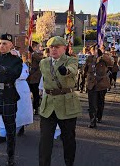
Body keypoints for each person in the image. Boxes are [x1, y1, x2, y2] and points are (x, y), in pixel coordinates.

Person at [39, 36, 81, 166]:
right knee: (45, 140)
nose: (53, 50)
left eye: (57, 47)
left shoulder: (71, 60)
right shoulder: (44, 62)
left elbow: (73, 69)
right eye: (51, 47)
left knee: (68, 139)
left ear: (65, 48)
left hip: (66, 104)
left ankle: (69, 163)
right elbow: (44, 80)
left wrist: (65, 70)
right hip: (48, 105)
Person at [0, 33, 22, 166]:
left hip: (8, 96)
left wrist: (6, 70)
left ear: (11, 45)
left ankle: (10, 157)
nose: (1, 46)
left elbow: (16, 73)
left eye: (5, 43)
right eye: (0, 43)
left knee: (10, 130)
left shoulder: (16, 60)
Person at [0, 51, 33, 144]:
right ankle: (2, 135)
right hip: (6, 90)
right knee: (3, 112)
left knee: (20, 111)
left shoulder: (22, 65)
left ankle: (20, 127)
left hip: (20, 90)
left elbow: (23, 75)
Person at [84, 44, 113, 128]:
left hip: (101, 84)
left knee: (100, 102)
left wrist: (102, 55)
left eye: (96, 50)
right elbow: (85, 69)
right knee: (92, 104)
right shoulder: (89, 58)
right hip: (91, 84)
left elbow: (111, 63)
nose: (95, 52)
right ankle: (92, 121)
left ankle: (99, 117)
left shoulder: (104, 58)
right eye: (93, 50)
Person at [27, 41, 43, 115]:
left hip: (34, 78)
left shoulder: (36, 54)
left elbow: (40, 61)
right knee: (29, 95)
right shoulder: (29, 54)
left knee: (35, 95)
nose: (37, 48)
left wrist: (33, 53)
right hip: (29, 78)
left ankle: (35, 108)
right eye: (36, 47)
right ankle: (30, 108)